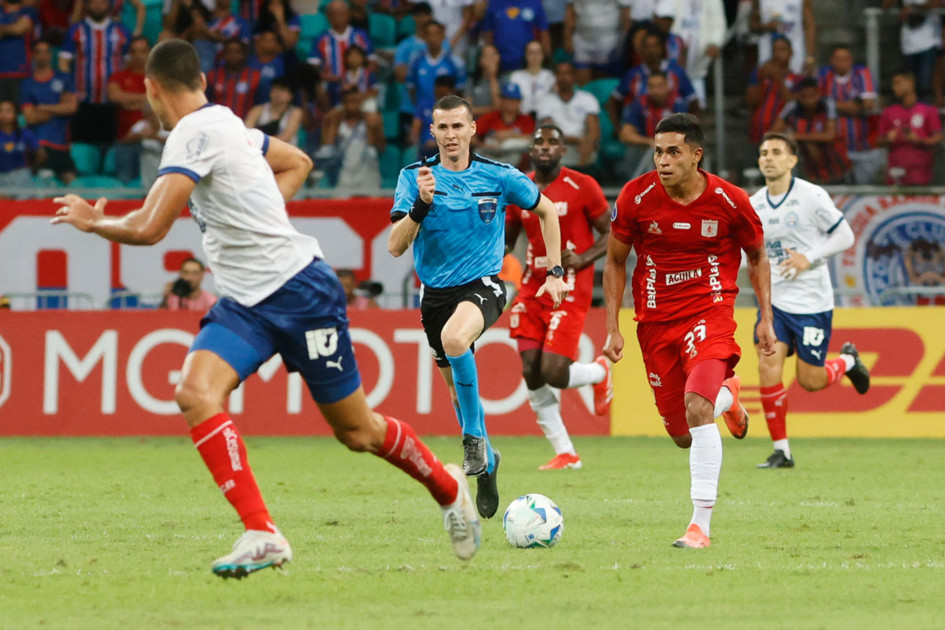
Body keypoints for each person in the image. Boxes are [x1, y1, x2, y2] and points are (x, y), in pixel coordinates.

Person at [51, 38, 481, 578]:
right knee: (194, 393)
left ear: (151, 88)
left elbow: (148, 227)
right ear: (202, 82)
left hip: (301, 293)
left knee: (358, 433)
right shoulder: (228, 122)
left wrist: (94, 223)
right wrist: (257, 215)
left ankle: (448, 489)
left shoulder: (192, 133)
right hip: (245, 304)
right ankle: (261, 531)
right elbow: (296, 161)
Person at [388, 94, 569, 519]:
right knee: (454, 385)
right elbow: (396, 247)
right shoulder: (415, 177)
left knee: (455, 337)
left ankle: (472, 439)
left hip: (488, 281)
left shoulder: (499, 176)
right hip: (435, 294)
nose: (451, 135)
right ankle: (487, 461)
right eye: (443, 128)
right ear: (432, 133)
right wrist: (420, 205)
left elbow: (547, 211)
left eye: (458, 126)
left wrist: (556, 271)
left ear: (472, 129)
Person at [603, 113, 776, 548]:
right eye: (659, 151)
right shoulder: (635, 196)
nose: (663, 160)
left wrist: (766, 317)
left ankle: (700, 526)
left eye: (673, 152)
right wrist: (613, 326)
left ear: (696, 156)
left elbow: (757, 257)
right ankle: (729, 396)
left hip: (709, 311)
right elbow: (614, 260)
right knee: (683, 433)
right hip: (655, 320)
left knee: (697, 405)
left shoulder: (731, 201)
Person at [750, 132, 871, 469]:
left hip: (812, 302)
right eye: (763, 153)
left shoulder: (811, 196)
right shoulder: (754, 203)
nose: (768, 158)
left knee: (811, 380)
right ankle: (782, 451)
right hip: (775, 302)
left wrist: (808, 257)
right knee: (767, 364)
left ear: (792, 160)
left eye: (776, 152)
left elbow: (844, 235)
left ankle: (847, 362)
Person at [505, 124, 613, 470]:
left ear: (563, 150)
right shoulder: (519, 187)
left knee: (552, 370)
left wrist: (582, 259)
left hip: (568, 286)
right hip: (530, 286)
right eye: (539, 142)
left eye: (553, 142)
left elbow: (612, 233)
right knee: (530, 371)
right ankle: (566, 452)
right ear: (531, 150)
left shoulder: (583, 186)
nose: (546, 147)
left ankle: (598, 373)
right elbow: (506, 242)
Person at [817, 45, 881, 185]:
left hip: (863, 148)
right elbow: (816, 103)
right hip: (834, 150)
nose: (841, 62)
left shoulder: (862, 73)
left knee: (862, 192)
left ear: (851, 60)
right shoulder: (823, 75)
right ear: (832, 61)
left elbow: (868, 104)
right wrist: (852, 106)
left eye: (845, 59)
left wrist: (831, 105)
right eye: (838, 59)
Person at [19, 38, 78, 185]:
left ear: (51, 54)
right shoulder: (27, 84)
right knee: (42, 183)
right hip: (38, 145)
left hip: (61, 143)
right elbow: (30, 117)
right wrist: (59, 107)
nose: (43, 56)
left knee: (72, 183)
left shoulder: (63, 78)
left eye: (46, 52)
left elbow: (71, 108)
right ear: (33, 55)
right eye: (39, 52)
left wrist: (44, 108)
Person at [772, 76, 850, 186]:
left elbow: (830, 135)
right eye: (805, 97)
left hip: (837, 169)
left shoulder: (827, 104)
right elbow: (773, 134)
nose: (809, 101)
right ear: (799, 96)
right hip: (810, 173)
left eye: (812, 96)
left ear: (818, 94)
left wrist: (798, 137)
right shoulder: (792, 107)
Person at [877, 69, 943, 186]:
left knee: (918, 203)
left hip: (920, 171)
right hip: (895, 170)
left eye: (898, 83)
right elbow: (878, 140)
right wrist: (888, 139)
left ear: (910, 83)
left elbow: (938, 138)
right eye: (893, 84)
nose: (894, 87)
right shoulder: (889, 111)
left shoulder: (928, 110)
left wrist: (919, 140)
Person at [535, 60, 600, 169]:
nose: (563, 77)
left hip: (582, 145)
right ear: (556, 77)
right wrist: (577, 140)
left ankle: (581, 176)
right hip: (557, 145)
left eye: (567, 73)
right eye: (560, 74)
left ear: (574, 76)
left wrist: (587, 143)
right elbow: (549, 132)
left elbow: (594, 129)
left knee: (590, 144)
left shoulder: (587, 99)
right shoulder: (546, 101)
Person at [108, 35, 150, 184]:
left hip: (153, 142)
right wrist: (148, 100)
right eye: (134, 51)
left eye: (143, 51)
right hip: (126, 141)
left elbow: (163, 101)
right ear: (129, 54)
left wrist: (130, 102)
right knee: (125, 185)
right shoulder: (118, 76)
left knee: (152, 187)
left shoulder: (157, 78)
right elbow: (116, 97)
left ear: (149, 52)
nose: (138, 55)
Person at [473, 82, 534, 167]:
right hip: (491, 154)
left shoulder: (525, 119)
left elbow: (531, 139)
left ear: (519, 102)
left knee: (517, 156)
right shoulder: (491, 116)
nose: (509, 103)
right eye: (506, 99)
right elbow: (470, 135)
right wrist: (483, 145)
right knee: (477, 152)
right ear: (501, 100)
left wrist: (511, 135)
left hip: (512, 158)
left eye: (513, 100)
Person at [750, 0, 816, 75]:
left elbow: (810, 26)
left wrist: (810, 58)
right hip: (767, 53)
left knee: (795, 83)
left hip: (794, 56)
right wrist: (765, 27)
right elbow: (752, 24)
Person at [245, 76, 303, 145]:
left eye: (282, 90)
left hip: (285, 150)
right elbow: (246, 131)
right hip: (259, 149)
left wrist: (261, 142)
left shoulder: (296, 112)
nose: (277, 93)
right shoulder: (258, 109)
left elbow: (286, 138)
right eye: (275, 89)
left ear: (290, 95)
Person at [508, 40, 556, 118]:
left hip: (545, 119)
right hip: (521, 119)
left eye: (538, 52)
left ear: (542, 55)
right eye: (531, 52)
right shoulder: (516, 76)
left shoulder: (550, 76)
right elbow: (510, 101)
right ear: (526, 55)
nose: (534, 56)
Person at [0, 98, 40, 190]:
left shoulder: (25, 134)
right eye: (0, 111)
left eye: (8, 111)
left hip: (21, 176)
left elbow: (39, 155)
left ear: (15, 114)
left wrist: (32, 171)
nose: (3, 114)